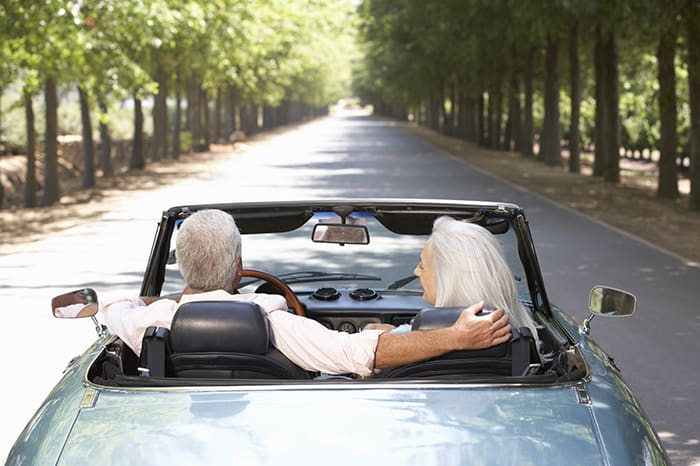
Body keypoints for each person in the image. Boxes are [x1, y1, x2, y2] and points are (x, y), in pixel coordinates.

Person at [102, 209, 512, 377]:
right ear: (239, 265)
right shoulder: (274, 323)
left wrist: (180, 298)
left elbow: (116, 304)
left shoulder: (143, 323)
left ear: (181, 264)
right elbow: (356, 355)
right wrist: (456, 337)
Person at [407, 216, 539, 344]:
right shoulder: (523, 337)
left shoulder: (422, 339)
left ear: (447, 281)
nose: (416, 272)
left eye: (422, 266)